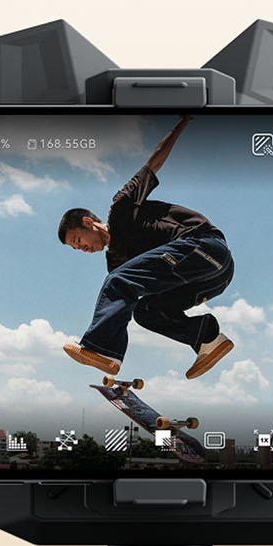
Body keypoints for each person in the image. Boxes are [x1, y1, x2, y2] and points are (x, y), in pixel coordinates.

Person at [57, 116, 235, 380]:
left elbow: (154, 163)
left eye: (78, 241)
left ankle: (101, 349)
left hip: (204, 247)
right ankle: (207, 339)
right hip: (210, 279)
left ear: (87, 222)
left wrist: (183, 122)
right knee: (145, 311)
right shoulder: (117, 261)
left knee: (118, 281)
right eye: (76, 249)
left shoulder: (122, 208)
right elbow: (121, 305)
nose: (82, 249)